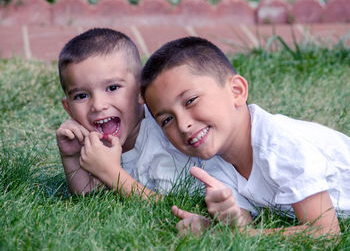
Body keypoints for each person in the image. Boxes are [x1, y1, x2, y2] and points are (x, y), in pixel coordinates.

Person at [140, 36, 350, 236]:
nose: (183, 125)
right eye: (167, 120)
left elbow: (325, 232)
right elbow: (241, 225)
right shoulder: (214, 164)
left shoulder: (280, 145)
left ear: (237, 91)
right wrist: (217, 227)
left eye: (190, 100)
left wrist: (244, 236)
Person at [56, 28, 233, 199]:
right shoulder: (96, 142)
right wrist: (71, 156)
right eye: (81, 96)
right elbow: (90, 197)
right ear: (68, 108)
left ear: (141, 91)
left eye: (112, 88)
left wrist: (111, 173)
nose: (98, 105)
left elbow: (169, 206)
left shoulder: (163, 140)